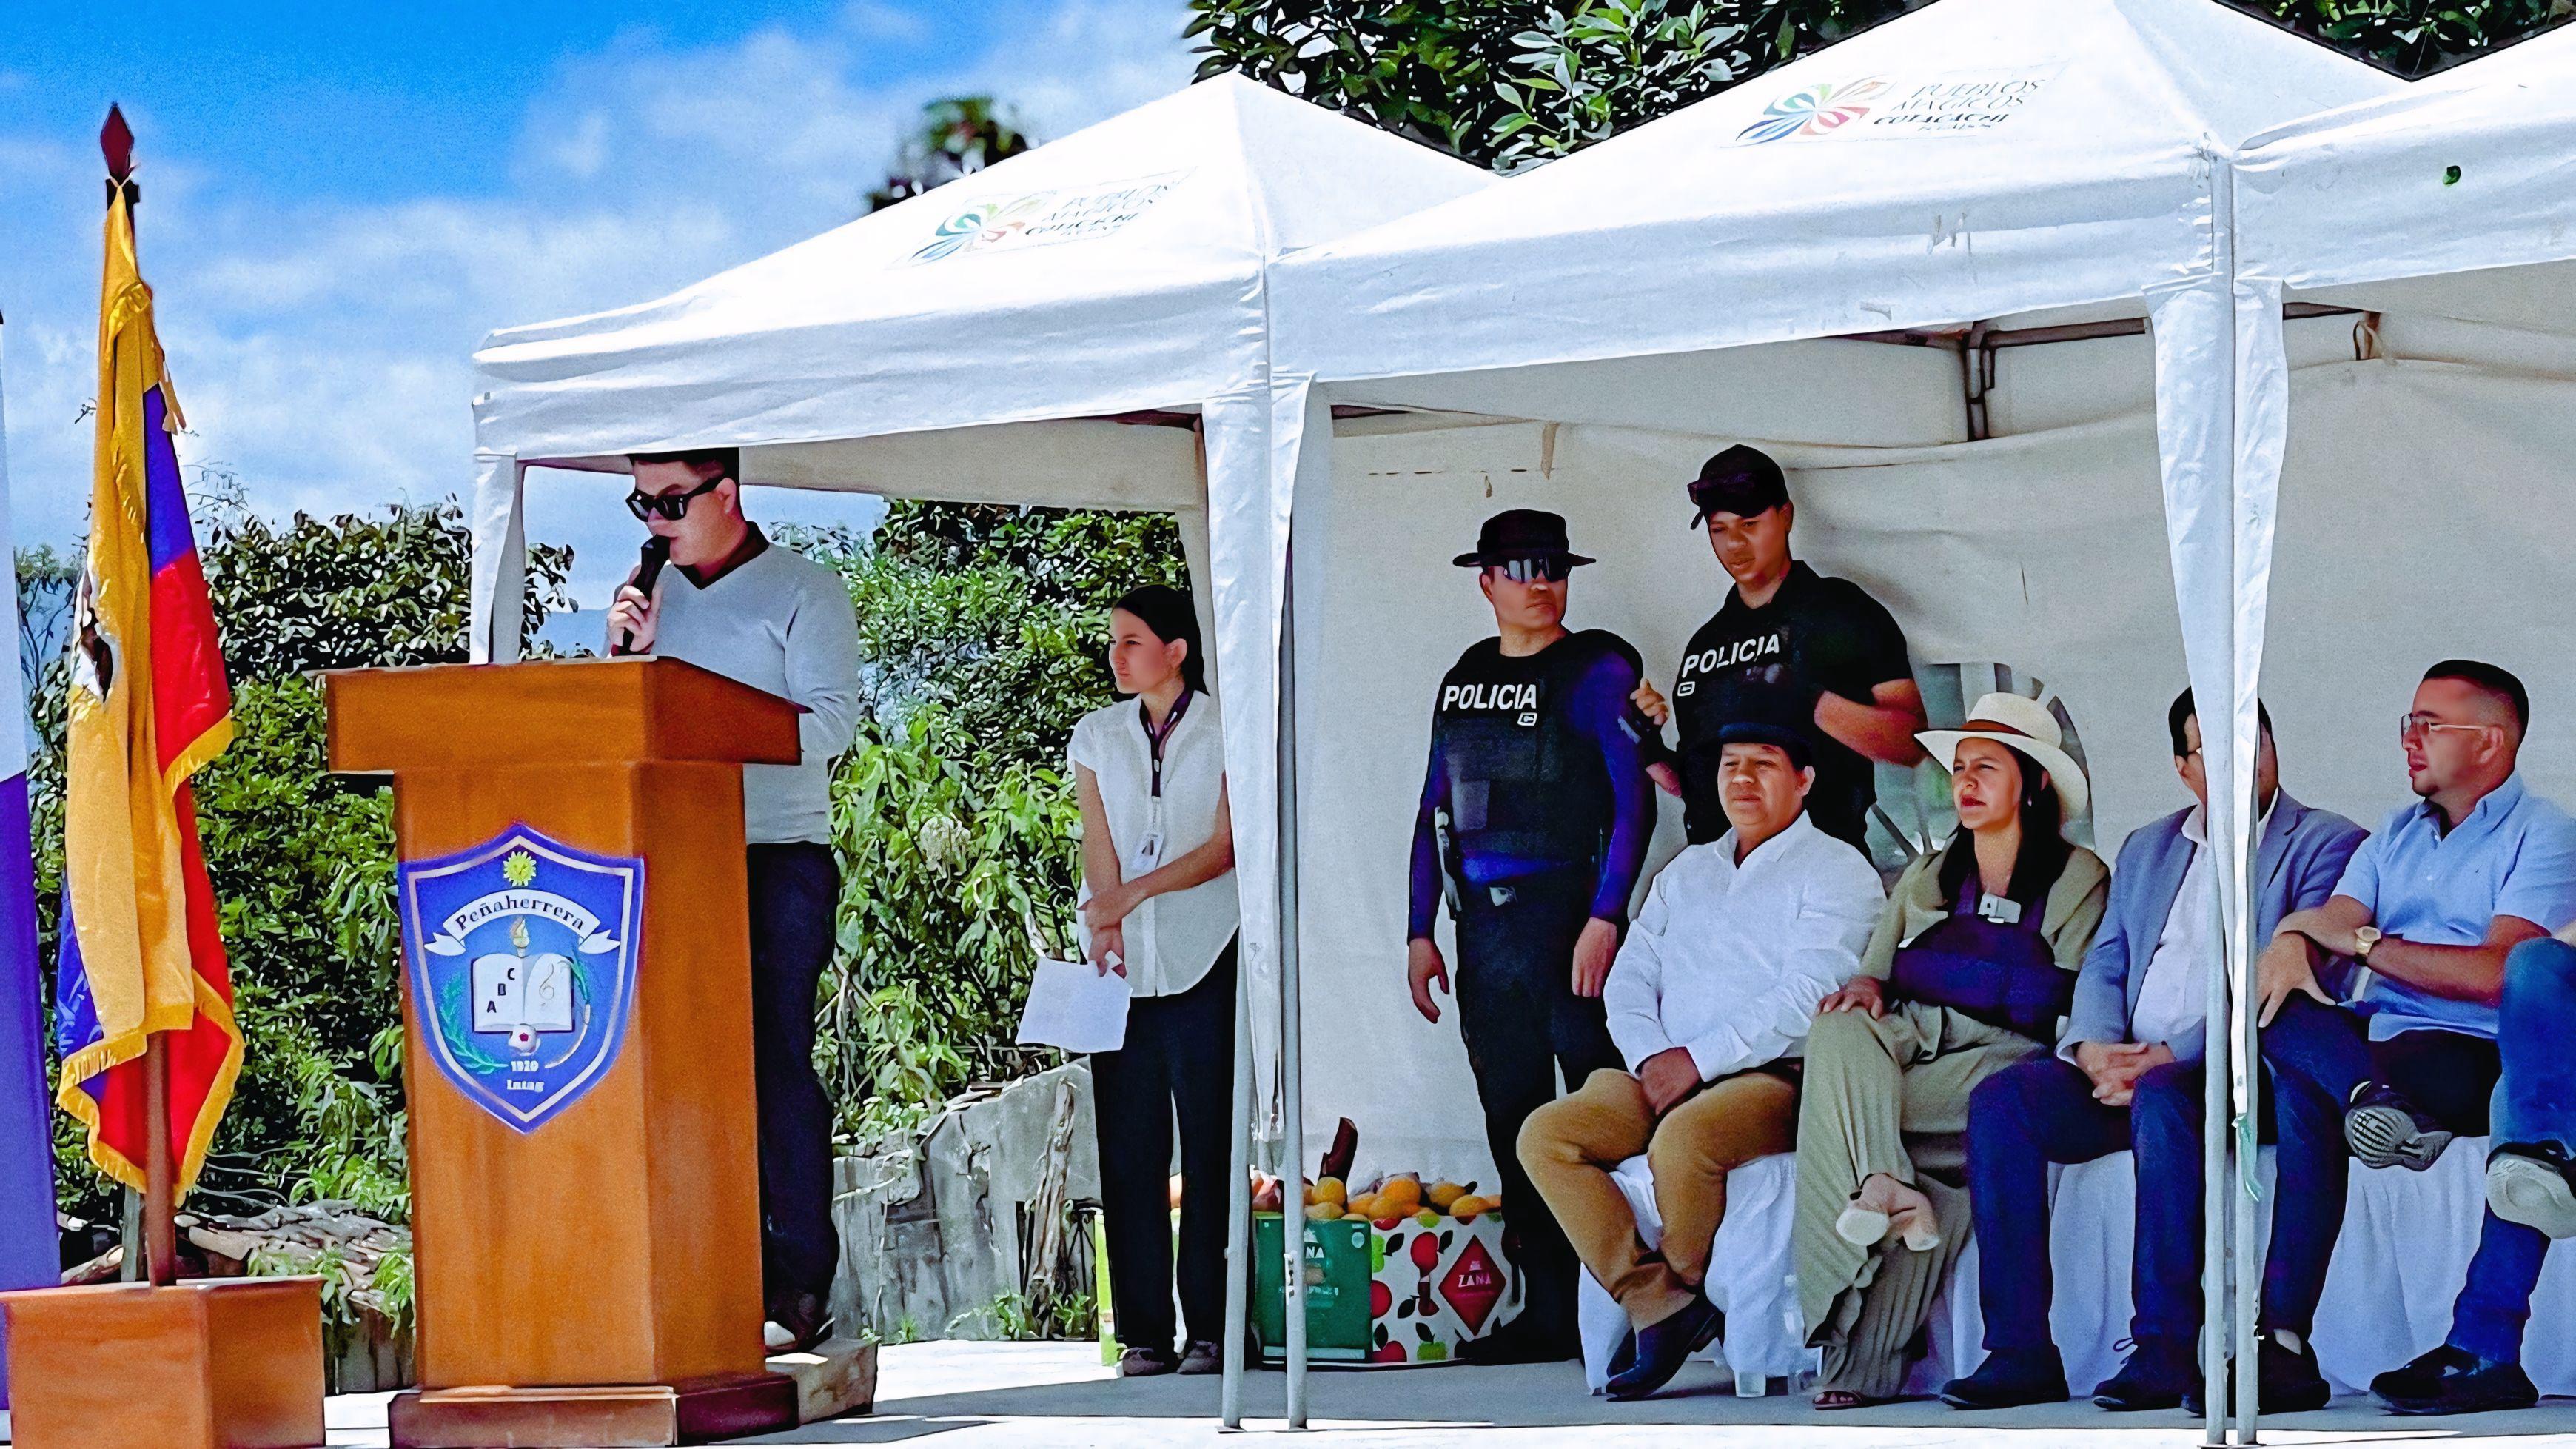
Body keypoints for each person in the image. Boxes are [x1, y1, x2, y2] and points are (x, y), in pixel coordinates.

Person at [1945, 692, 2364, 1411]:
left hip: (2238, 1072)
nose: (2242, 760)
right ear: (2183, 767)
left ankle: (2166, 1347)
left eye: (2254, 740)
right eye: (2215, 749)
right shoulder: (2148, 846)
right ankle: (2019, 1350)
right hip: (2127, 1068)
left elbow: (2289, 975)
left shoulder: (2327, 842)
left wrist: (2174, 1052)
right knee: (2004, 1101)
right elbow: (2108, 958)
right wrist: (2093, 1049)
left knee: (2169, 1098)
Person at [2241, 661, 2576, 1416]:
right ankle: (2372, 1100)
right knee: (2277, 1011)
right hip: (2379, 1048)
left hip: (2469, 1050)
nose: (2408, 740)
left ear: (2489, 742)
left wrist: (2366, 946)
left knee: (2303, 1084)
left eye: (2429, 724)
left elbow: (2497, 974)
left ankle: (2285, 1339)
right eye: (2408, 723)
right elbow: (2329, 920)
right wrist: (2292, 939)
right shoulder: (2394, 832)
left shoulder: (2544, 831)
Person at [1518, 720, 1885, 1399]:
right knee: (1547, 1133)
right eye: (1729, 764)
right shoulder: (1686, 870)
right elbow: (1630, 977)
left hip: (1774, 1078)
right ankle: (1657, 1299)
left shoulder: (1838, 869)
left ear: (1804, 780)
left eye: (1763, 764)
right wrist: (1656, 1056)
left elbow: (1811, 994)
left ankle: (1678, 1296)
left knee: (1686, 1140)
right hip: (1660, 1071)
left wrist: (1699, 1059)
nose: (1742, 779)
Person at [606, 448, 860, 1352]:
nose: (655, 523)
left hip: (777, 857)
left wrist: (705, 715)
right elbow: (624, 725)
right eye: (642, 503)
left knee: (773, 1063)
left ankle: (797, 1280)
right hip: (675, 857)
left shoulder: (805, 590)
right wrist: (629, 661)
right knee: (684, 1075)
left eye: (672, 502)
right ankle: (712, 1274)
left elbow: (833, 724)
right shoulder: (650, 598)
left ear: (729, 495)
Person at [1791, 692, 2108, 1408]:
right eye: (1960, 768)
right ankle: (1889, 1185)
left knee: (1842, 1116)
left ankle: (1858, 1355)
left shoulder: (2077, 875)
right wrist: (1874, 984)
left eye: (1985, 768)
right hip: (1911, 1046)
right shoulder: (1928, 873)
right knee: (1834, 1030)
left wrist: (1962, 973)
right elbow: (1870, 979)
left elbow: (2059, 996)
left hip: (2002, 1059)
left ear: (2033, 781)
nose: (1965, 782)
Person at [1407, 509, 1659, 1364]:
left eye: (1553, 566)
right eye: (1519, 569)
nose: (1540, 582)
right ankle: (1546, 1307)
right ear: (1486, 583)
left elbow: (1635, 802)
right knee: (1510, 1116)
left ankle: (1634, 1297)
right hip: (1482, 928)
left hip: (1568, 917)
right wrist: (1418, 930)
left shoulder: (1596, 668)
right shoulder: (1464, 677)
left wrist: (1606, 916)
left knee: (1598, 1112)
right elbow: (1434, 809)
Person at [1067, 585, 1241, 1377]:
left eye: (1132, 641)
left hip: (1209, 947)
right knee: (1129, 1147)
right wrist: (1106, 921)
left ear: (1176, 651)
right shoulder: (1097, 735)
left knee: (1211, 1143)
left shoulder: (1226, 726)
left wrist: (1132, 895)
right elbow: (1097, 840)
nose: (1117, 655)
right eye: (1113, 641)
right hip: (1125, 966)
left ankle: (1214, 1325)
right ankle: (1144, 1329)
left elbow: (1225, 846)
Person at [1631, 446, 1925, 853]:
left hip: (1817, 864)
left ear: (1786, 516)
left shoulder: (1839, 609)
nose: (1735, 543)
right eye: (1719, 529)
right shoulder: (1706, 642)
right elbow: (1696, 785)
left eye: (1749, 523)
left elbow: (1912, 743)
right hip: (1719, 869)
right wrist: (1646, 744)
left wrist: (1807, 699)